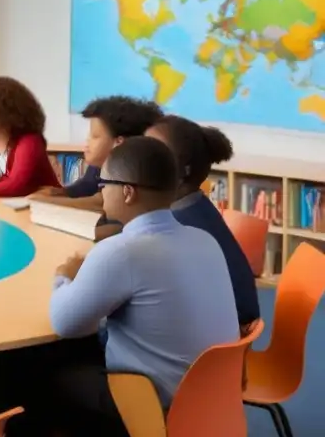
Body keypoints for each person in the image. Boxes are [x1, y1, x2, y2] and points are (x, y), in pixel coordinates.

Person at [47, 137, 238, 435]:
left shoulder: (122, 251)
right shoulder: (205, 240)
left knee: (42, 372)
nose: (100, 191)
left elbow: (64, 323)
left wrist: (65, 276)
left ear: (127, 192)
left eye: (103, 182)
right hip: (214, 398)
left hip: (153, 403)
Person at [146, 115, 260, 328]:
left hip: (217, 340)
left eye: (153, 155)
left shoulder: (179, 226)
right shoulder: (195, 207)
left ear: (182, 171)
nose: (138, 160)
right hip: (227, 332)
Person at [32, 96, 163, 240]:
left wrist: (41, 202)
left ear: (118, 143)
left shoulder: (131, 173)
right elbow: (83, 188)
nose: (87, 141)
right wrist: (57, 192)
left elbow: (100, 203)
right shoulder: (98, 166)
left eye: (95, 136)